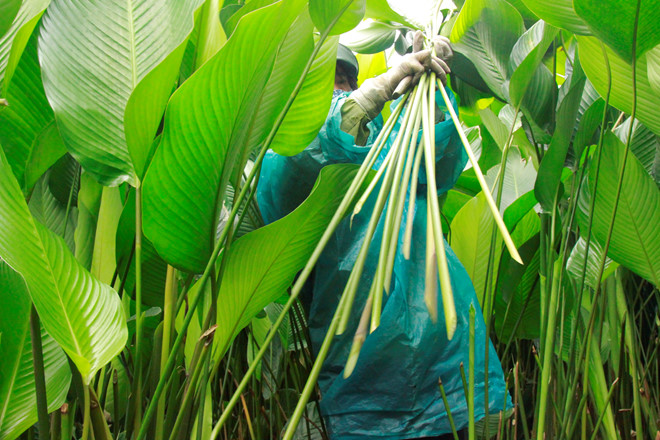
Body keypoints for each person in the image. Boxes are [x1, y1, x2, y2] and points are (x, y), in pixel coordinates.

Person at [257, 33, 510, 440]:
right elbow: (309, 153)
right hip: (365, 372)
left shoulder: (386, 142)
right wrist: (375, 91)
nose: (338, 93)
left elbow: (438, 165)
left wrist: (431, 95)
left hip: (445, 355)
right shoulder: (278, 155)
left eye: (345, 83)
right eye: (324, 84)